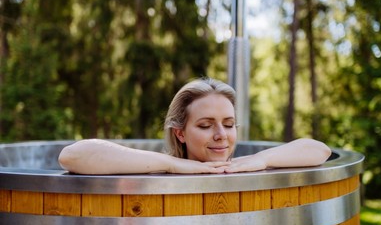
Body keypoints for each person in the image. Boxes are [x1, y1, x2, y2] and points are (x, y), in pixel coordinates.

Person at [58, 77, 331, 174]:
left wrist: (262, 159)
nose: (221, 135)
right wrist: (173, 165)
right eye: (205, 125)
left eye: (229, 124)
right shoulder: (160, 169)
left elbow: (319, 150)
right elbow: (72, 155)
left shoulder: (244, 166)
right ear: (180, 133)